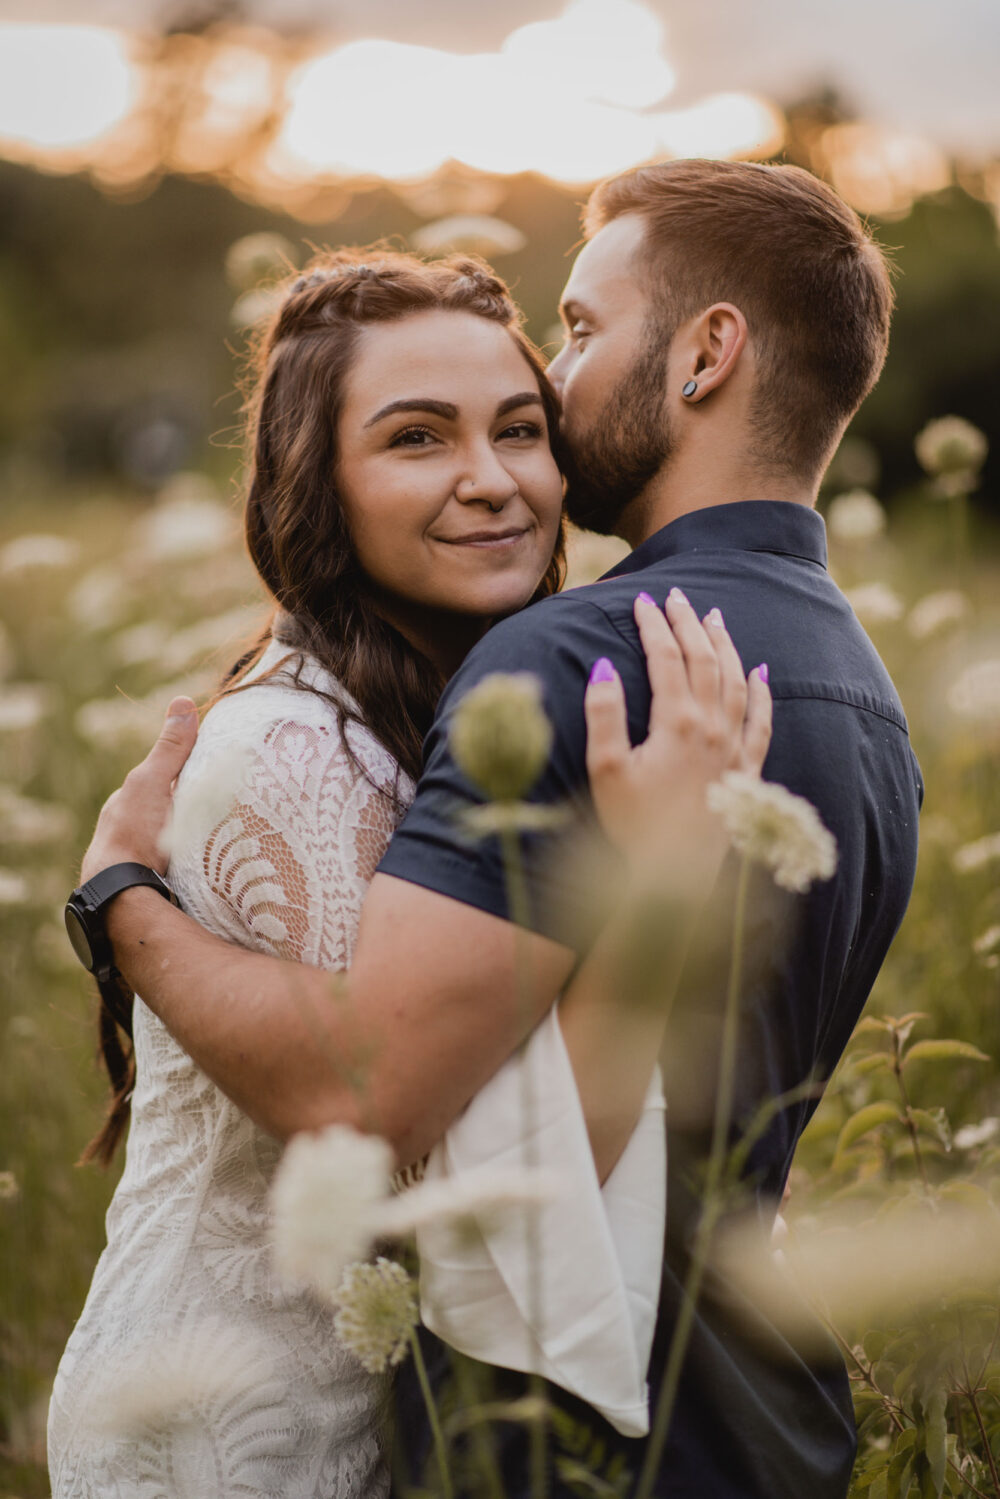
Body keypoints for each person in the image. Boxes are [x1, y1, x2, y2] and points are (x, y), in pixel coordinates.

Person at [73, 158, 923, 1498]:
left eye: (577, 337)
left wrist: (120, 897)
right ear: (323, 476)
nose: (522, 453)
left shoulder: (578, 659)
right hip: (747, 1417)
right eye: (417, 437)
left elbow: (377, 1101)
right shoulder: (862, 691)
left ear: (709, 354)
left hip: (550, 1418)